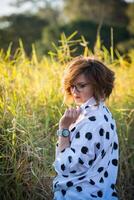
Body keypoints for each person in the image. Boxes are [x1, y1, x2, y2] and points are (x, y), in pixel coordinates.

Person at [53, 56, 119, 200]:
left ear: (99, 86)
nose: (74, 91)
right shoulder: (103, 112)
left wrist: (64, 128)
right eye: (72, 86)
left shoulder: (91, 121)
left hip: (80, 195)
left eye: (81, 85)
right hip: (99, 192)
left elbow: (65, 167)